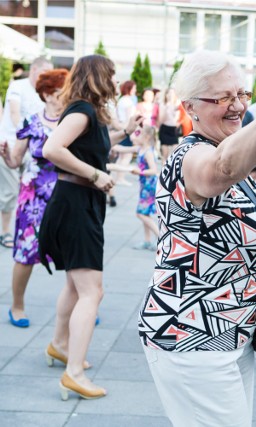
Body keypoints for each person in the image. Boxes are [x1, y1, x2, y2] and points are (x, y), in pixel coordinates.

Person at [137, 50, 256, 426]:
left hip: (232, 334)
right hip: (192, 336)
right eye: (222, 98)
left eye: (242, 94)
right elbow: (221, 170)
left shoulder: (222, 149)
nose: (236, 106)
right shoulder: (191, 156)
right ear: (190, 107)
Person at [39, 55, 143, 400]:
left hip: (77, 202)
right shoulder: (82, 110)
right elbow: (52, 148)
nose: (115, 82)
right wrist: (96, 174)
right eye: (112, 76)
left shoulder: (87, 113)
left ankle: (59, 345)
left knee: (75, 283)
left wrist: (126, 132)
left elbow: (93, 148)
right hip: (75, 203)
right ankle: (74, 372)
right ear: (100, 77)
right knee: (91, 291)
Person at [0, 69, 67, 328]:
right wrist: (7, 157)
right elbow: (17, 160)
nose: (66, 98)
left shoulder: (73, 121)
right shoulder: (31, 121)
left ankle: (81, 301)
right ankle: (17, 305)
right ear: (48, 95)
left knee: (73, 252)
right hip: (33, 198)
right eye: (62, 93)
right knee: (26, 251)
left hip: (64, 192)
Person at [0, 56, 52, 249]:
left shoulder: (44, 92)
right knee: (10, 191)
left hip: (32, 149)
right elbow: (14, 114)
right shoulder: (18, 86)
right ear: (34, 70)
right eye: (44, 72)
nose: (47, 76)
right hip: (10, 144)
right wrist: (26, 133)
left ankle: (29, 230)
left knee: (31, 189)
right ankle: (5, 232)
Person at [111, 125, 159, 250]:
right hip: (145, 185)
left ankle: (162, 238)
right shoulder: (139, 148)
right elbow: (121, 148)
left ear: (147, 137)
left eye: (139, 133)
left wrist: (140, 172)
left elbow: (154, 170)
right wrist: (108, 141)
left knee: (141, 214)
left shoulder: (148, 152)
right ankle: (147, 241)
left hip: (150, 186)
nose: (135, 136)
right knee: (145, 214)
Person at [158, 88, 181, 165]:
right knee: (165, 154)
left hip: (173, 129)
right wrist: (167, 107)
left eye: (172, 93)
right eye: (169, 93)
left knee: (175, 151)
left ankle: (171, 169)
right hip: (165, 128)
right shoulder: (163, 104)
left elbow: (178, 118)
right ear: (166, 95)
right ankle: (163, 171)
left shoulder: (177, 104)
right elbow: (161, 119)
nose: (170, 95)